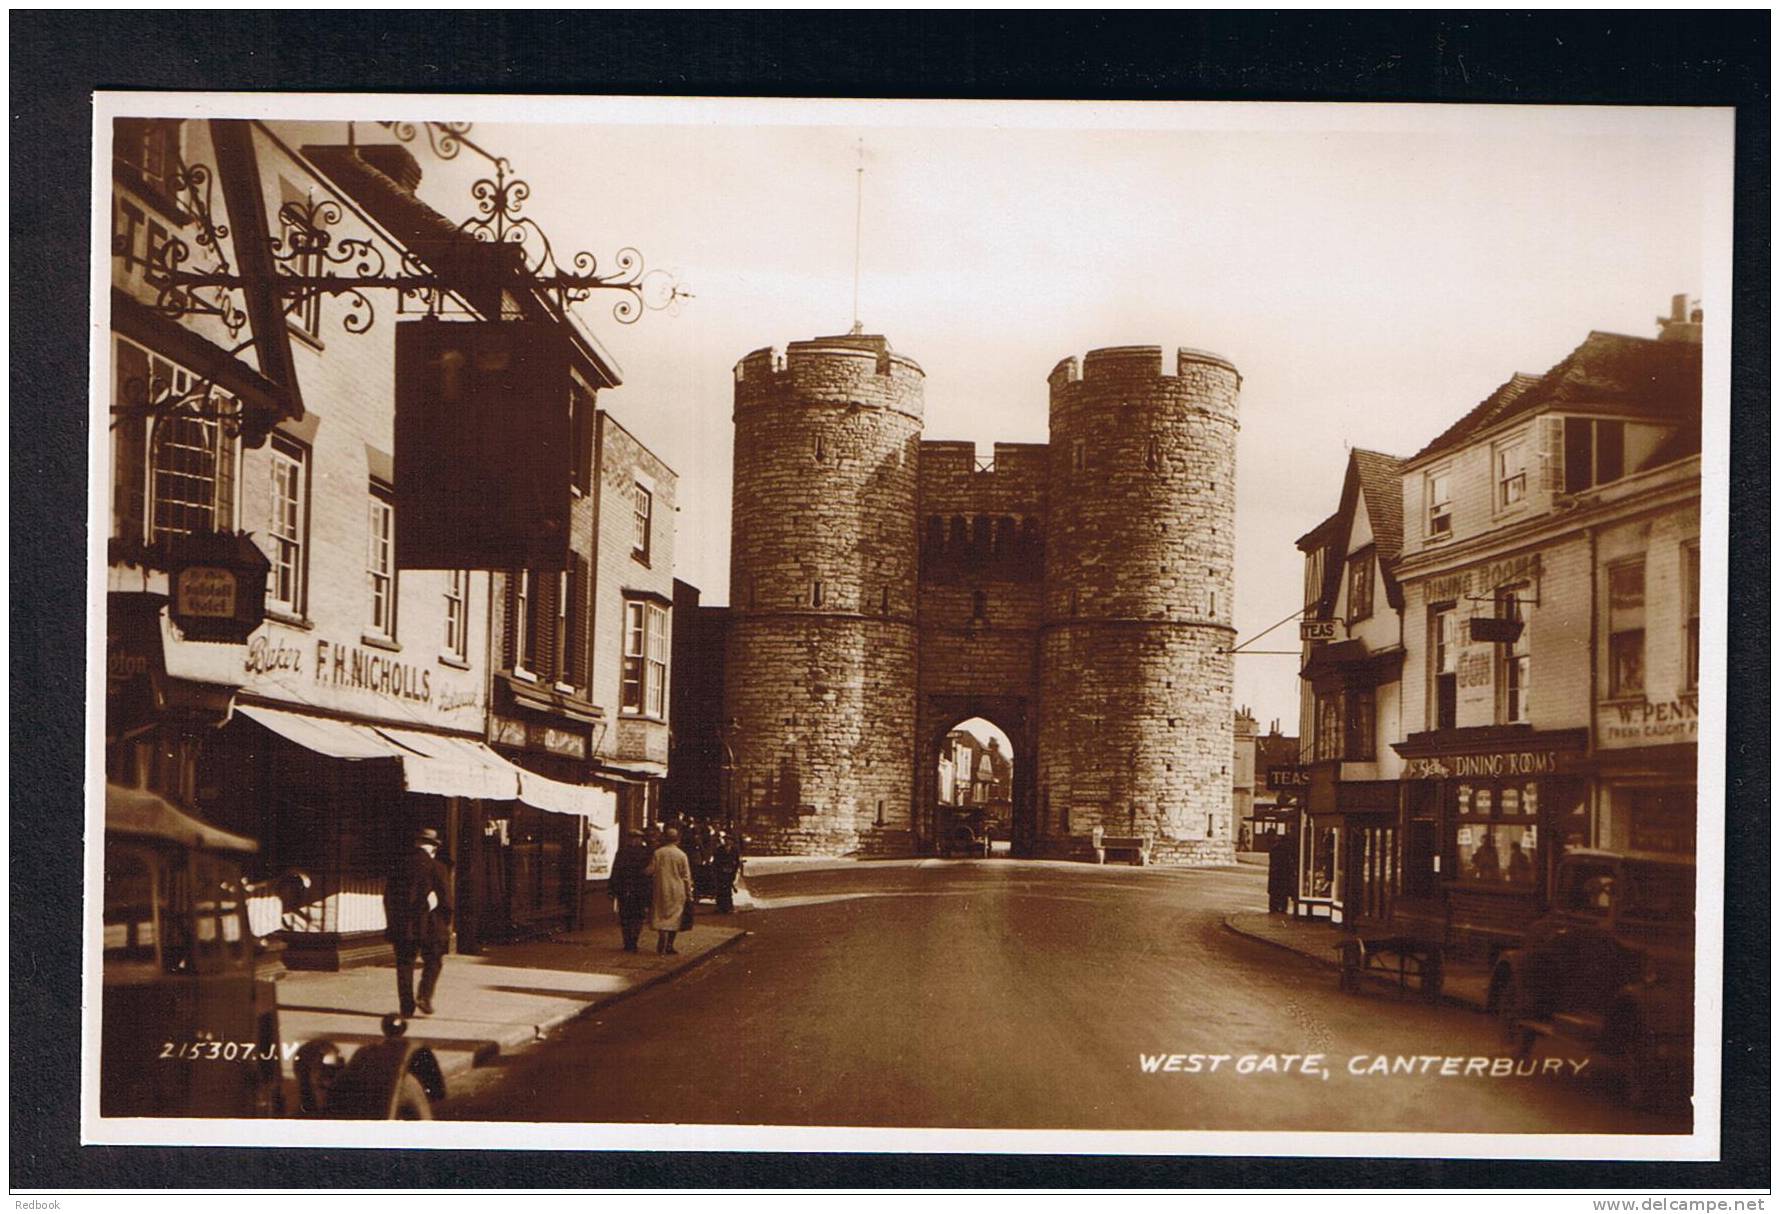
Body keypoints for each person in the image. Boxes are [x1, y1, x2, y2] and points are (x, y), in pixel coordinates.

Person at [384, 827, 452, 1017]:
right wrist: (445, 922)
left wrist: (392, 922)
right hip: (431, 925)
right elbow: (446, 900)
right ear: (432, 847)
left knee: (404, 965)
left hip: (404, 925)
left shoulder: (398, 866)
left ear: (416, 844)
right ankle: (424, 995)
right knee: (434, 961)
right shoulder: (438, 868)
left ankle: (406, 1007)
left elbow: (389, 898)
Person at [645, 826, 693, 955]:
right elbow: (686, 876)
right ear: (677, 840)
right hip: (677, 889)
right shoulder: (682, 855)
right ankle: (670, 945)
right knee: (675, 916)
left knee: (661, 914)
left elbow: (650, 870)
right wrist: (689, 893)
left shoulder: (658, 853)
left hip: (661, 888)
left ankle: (662, 936)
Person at [608, 831, 653, 952]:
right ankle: (629, 941)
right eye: (632, 838)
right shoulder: (625, 852)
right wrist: (612, 888)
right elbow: (616, 870)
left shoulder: (645, 852)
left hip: (635, 889)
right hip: (629, 889)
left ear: (640, 839)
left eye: (636, 838)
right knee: (628, 916)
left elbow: (651, 872)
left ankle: (632, 941)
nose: (634, 841)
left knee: (635, 916)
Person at [1266, 829, 1296, 914]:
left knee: (1274, 893)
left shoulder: (1274, 849)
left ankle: (1273, 908)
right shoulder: (1287, 850)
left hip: (1275, 874)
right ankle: (1282, 908)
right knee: (1283, 893)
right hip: (1284, 874)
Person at [712, 829, 742, 915]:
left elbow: (736, 862)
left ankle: (728, 907)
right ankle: (720, 907)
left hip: (730, 872)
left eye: (729, 840)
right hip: (721, 872)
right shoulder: (719, 849)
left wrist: (734, 870)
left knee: (728, 890)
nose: (728, 842)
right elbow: (716, 861)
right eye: (726, 840)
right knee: (720, 889)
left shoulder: (734, 850)